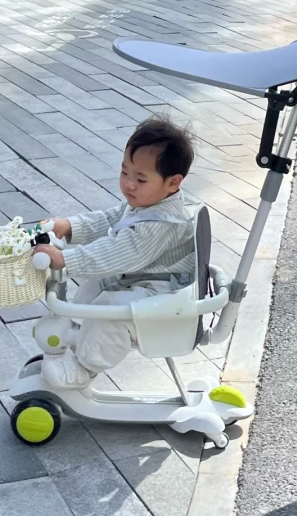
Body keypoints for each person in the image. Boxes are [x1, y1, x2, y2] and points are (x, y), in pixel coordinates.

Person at [32, 117, 197, 390]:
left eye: (140, 179)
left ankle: (84, 368)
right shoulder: (146, 202)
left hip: (164, 294)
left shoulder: (163, 222)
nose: (129, 184)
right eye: (124, 172)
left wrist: (67, 260)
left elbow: (118, 253)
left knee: (114, 311)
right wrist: (71, 226)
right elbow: (110, 220)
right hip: (144, 278)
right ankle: (75, 330)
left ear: (172, 183)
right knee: (99, 283)